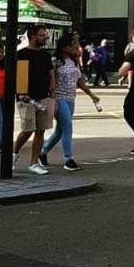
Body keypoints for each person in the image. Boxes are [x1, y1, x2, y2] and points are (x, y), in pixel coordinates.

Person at [42, 37, 101, 170]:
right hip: (59, 98)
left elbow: (80, 81)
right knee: (67, 127)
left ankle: (43, 152)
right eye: (72, 46)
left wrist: (91, 95)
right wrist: (52, 98)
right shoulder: (56, 62)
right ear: (64, 47)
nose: (75, 49)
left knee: (59, 130)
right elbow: (51, 81)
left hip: (71, 98)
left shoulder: (74, 62)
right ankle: (68, 158)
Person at [14, 24, 55, 175]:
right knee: (27, 129)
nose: (45, 37)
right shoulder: (22, 54)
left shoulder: (45, 55)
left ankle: (33, 162)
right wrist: (20, 92)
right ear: (33, 36)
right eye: (42, 35)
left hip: (44, 96)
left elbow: (51, 74)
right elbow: (17, 76)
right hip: (26, 97)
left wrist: (52, 90)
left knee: (40, 130)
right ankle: (14, 152)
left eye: (45, 35)